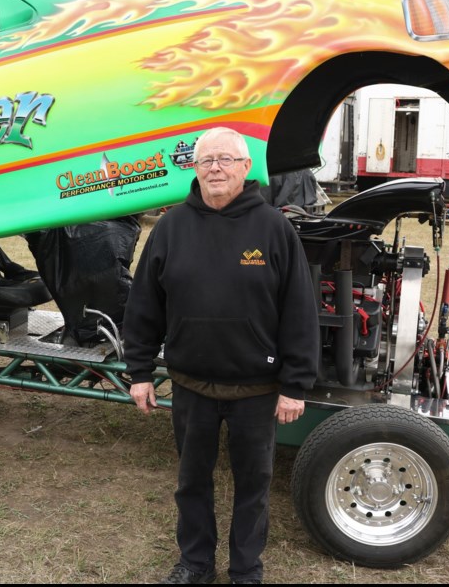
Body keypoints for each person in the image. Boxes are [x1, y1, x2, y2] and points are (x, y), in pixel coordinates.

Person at [123, 127, 319, 585]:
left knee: (253, 486)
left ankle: (246, 569)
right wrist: (140, 372)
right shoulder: (171, 227)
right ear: (193, 168)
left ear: (246, 168)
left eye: (226, 160)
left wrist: (295, 386)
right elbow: (144, 306)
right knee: (192, 483)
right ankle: (195, 563)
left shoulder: (274, 227)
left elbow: (299, 311)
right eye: (206, 159)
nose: (216, 167)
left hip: (257, 389)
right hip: (192, 387)